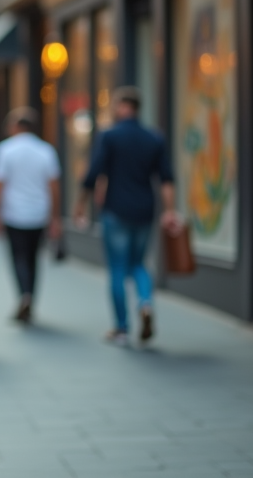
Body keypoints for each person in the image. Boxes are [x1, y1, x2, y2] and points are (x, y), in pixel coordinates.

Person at [73, 86, 178, 346]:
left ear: (121, 107)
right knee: (139, 264)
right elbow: (166, 179)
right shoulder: (154, 138)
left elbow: (93, 172)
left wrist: (80, 204)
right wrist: (170, 211)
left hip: (116, 211)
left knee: (118, 269)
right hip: (144, 210)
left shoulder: (109, 136)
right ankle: (145, 303)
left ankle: (121, 328)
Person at [0, 107, 61, 324]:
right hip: (39, 213)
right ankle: (30, 298)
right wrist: (55, 217)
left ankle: (24, 295)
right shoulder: (46, 151)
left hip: (14, 214)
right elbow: (54, 187)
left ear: (15, 126)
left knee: (18, 256)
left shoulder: (5, 150)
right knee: (33, 258)